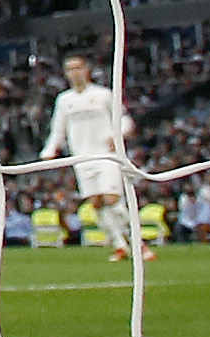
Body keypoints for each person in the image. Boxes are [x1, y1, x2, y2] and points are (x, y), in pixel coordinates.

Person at [42, 54, 149, 263]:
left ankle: (139, 243)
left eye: (78, 68)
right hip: (81, 158)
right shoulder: (64, 100)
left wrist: (118, 136)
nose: (75, 73)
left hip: (106, 155)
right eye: (70, 69)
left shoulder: (104, 95)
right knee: (96, 203)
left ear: (87, 70)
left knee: (112, 199)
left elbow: (124, 119)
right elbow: (58, 129)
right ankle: (119, 245)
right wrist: (49, 151)